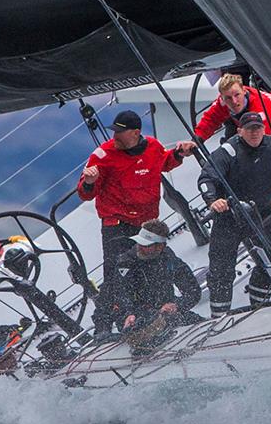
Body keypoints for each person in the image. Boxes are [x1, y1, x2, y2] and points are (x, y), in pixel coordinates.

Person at [193, 73, 271, 259]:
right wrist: (196, 140)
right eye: (228, 98)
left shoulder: (263, 113)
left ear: (244, 90)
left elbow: (265, 152)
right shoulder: (226, 101)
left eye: (237, 95)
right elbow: (210, 119)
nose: (234, 101)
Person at [77, 109, 196, 292]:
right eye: (114, 131)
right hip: (117, 224)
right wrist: (89, 182)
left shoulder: (153, 146)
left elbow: (165, 163)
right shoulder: (102, 156)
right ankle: (114, 313)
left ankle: (166, 307)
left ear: (135, 133)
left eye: (119, 132)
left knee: (155, 267)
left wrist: (179, 153)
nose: (114, 135)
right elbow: (85, 195)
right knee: (117, 272)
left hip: (147, 224)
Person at [198, 112, 271, 318]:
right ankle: (218, 317)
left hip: (262, 215)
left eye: (258, 128)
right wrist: (213, 200)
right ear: (240, 131)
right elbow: (206, 178)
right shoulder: (227, 151)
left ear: (264, 129)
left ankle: (260, 305)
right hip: (229, 217)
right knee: (221, 271)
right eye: (249, 129)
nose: (254, 133)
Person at [92, 219, 202, 335]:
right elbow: (121, 295)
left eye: (146, 245)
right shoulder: (125, 264)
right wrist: (128, 315)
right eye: (139, 242)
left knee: (198, 323)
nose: (140, 247)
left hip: (168, 314)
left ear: (160, 246)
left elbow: (193, 291)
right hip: (137, 320)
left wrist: (177, 305)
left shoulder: (169, 258)